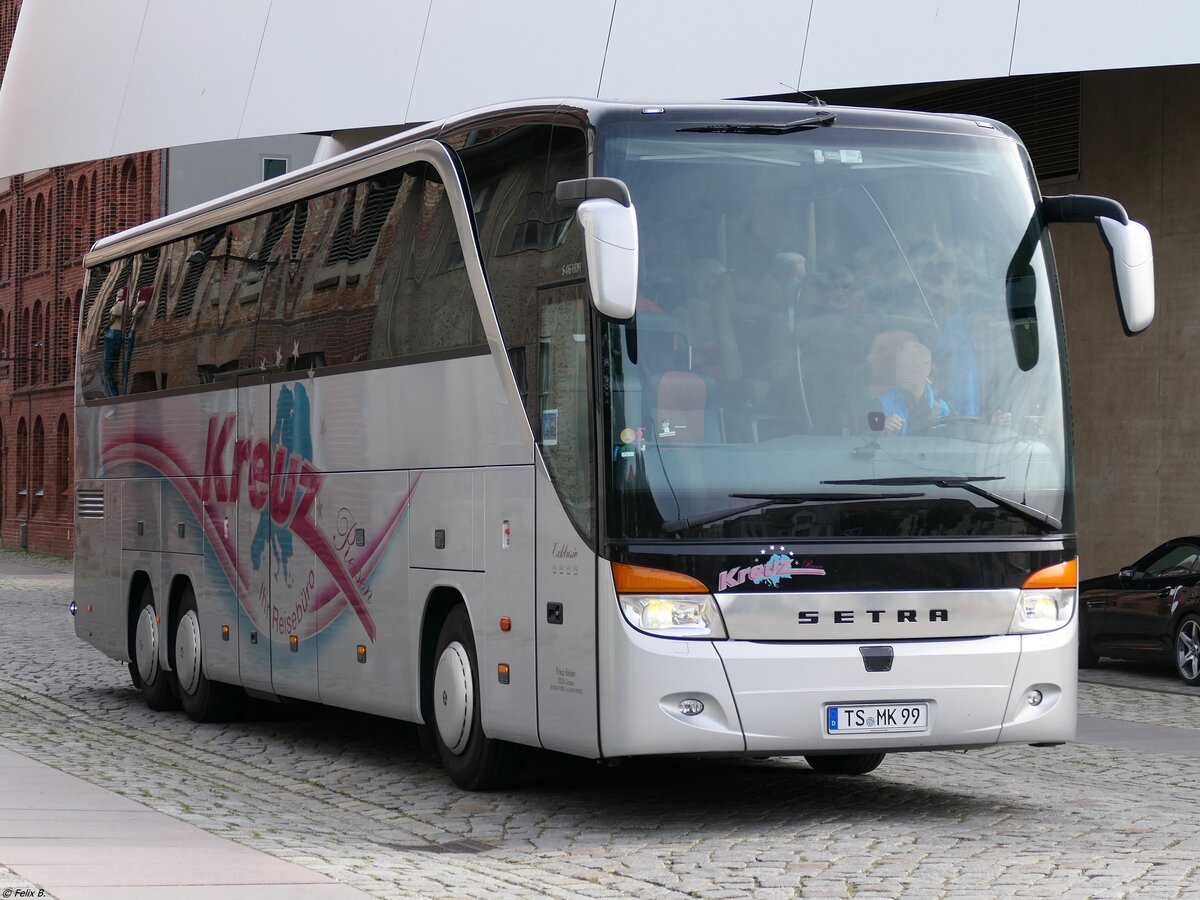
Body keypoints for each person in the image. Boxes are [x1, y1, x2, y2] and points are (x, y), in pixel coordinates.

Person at [876, 340, 950, 435]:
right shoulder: (880, 404)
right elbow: (865, 442)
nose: (901, 370)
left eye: (908, 364)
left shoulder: (942, 409)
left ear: (927, 369)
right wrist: (883, 432)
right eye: (899, 364)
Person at [121, 286, 149, 394]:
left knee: (127, 363)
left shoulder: (141, 304)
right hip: (131, 334)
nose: (136, 297)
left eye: (138, 295)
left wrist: (137, 307)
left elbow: (134, 313)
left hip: (133, 334)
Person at [102, 287, 128, 397]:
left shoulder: (121, 303)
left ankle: (113, 395)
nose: (119, 291)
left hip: (113, 334)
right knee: (110, 368)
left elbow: (112, 319)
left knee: (107, 368)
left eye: (121, 290)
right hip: (113, 334)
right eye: (119, 290)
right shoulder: (118, 302)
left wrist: (105, 328)